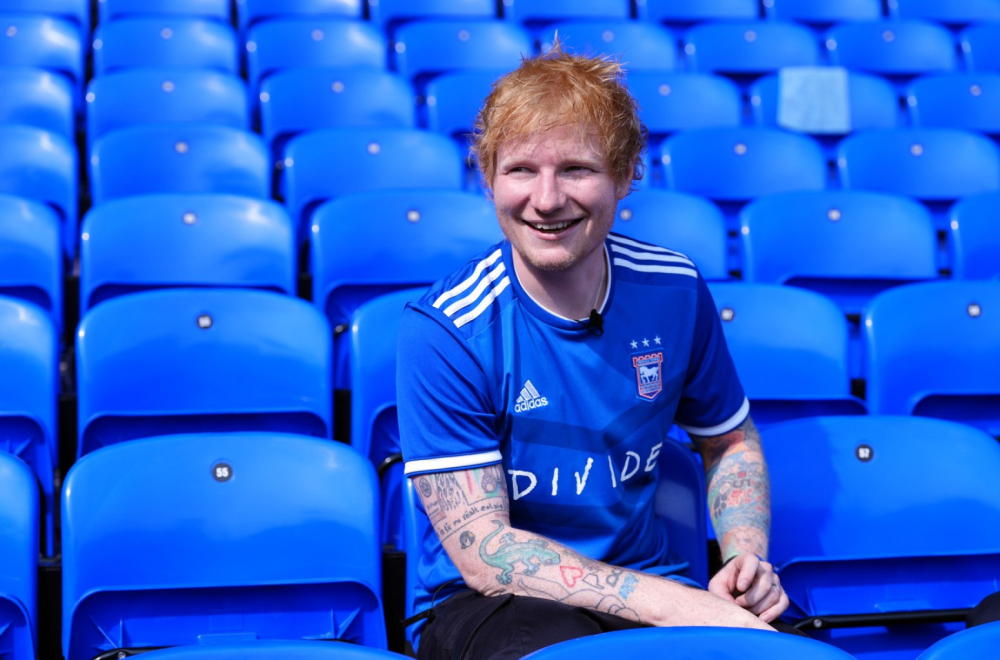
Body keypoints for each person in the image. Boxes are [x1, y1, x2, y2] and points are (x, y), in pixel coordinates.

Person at [397, 43, 789, 660]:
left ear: (627, 173)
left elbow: (729, 441)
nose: (547, 199)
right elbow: (484, 553)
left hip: (647, 584)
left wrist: (745, 557)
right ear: (488, 178)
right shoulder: (444, 329)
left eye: (577, 169)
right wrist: (678, 606)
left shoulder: (675, 290)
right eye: (520, 170)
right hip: (487, 606)